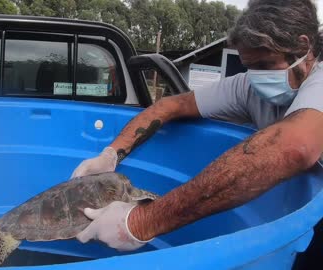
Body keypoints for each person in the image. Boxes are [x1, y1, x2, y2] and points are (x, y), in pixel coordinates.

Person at [71, 0, 323, 252]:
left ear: (302, 46)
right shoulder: (247, 87)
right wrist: (111, 154)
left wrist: (140, 221)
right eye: (249, 66)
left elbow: (294, 146)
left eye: (264, 65)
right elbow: (169, 106)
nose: (257, 77)